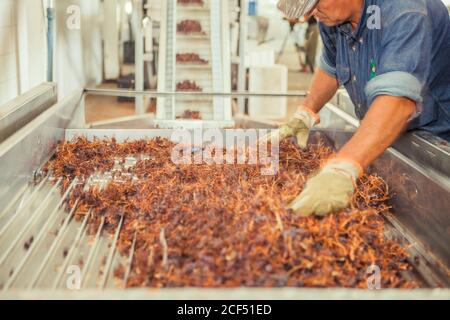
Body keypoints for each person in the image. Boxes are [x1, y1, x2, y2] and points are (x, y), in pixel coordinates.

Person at [274, 0, 450, 216]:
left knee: (430, 217)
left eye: (315, 3)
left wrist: (343, 166)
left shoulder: (404, 8)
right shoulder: (331, 16)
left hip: (435, 143)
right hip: (383, 132)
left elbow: (398, 100)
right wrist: (306, 112)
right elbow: (332, 67)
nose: (310, 14)